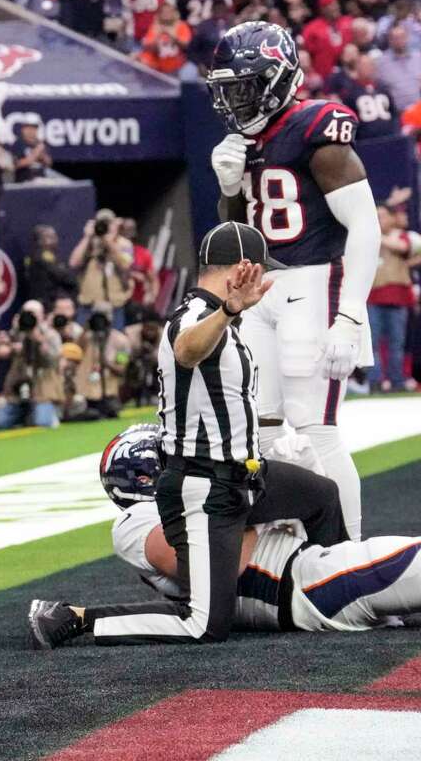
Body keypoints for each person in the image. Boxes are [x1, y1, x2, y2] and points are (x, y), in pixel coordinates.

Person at [29, 222, 342, 647]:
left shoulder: (220, 320)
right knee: (206, 625)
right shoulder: (194, 316)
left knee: (322, 494)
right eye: (259, 270)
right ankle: (79, 618)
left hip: (244, 475)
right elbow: (186, 349)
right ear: (241, 269)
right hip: (205, 484)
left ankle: (339, 584)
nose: (265, 280)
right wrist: (229, 310)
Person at [208, 21, 381, 541]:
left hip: (315, 280)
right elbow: (236, 227)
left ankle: (350, 556)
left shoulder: (315, 127)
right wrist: (229, 186)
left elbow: (365, 224)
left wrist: (350, 313)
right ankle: (294, 545)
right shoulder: (245, 140)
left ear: (276, 79)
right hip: (261, 289)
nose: (235, 102)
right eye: (227, 90)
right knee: (262, 428)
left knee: (315, 426)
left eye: (243, 87)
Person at [36, 425, 418, 642]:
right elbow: (218, 563)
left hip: (315, 574)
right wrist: (260, 510)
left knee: (320, 492)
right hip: (306, 585)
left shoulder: (197, 505)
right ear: (144, 475)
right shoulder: (135, 522)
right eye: (173, 456)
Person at [367, 204, 421, 391]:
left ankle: (397, 380)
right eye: (376, 216)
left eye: (382, 216)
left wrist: (376, 236)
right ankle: (375, 382)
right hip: (374, 297)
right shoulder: (367, 238)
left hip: (398, 298)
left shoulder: (402, 235)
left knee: (396, 343)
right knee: (371, 343)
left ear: (392, 217)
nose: (379, 220)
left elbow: (403, 247)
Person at [70, 211, 134, 328]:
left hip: (114, 303)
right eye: (102, 223)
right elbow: (74, 263)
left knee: (116, 340)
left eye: (109, 223)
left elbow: (125, 264)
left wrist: (108, 241)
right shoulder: (90, 243)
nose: (105, 227)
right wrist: (87, 237)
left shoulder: (124, 244)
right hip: (89, 304)